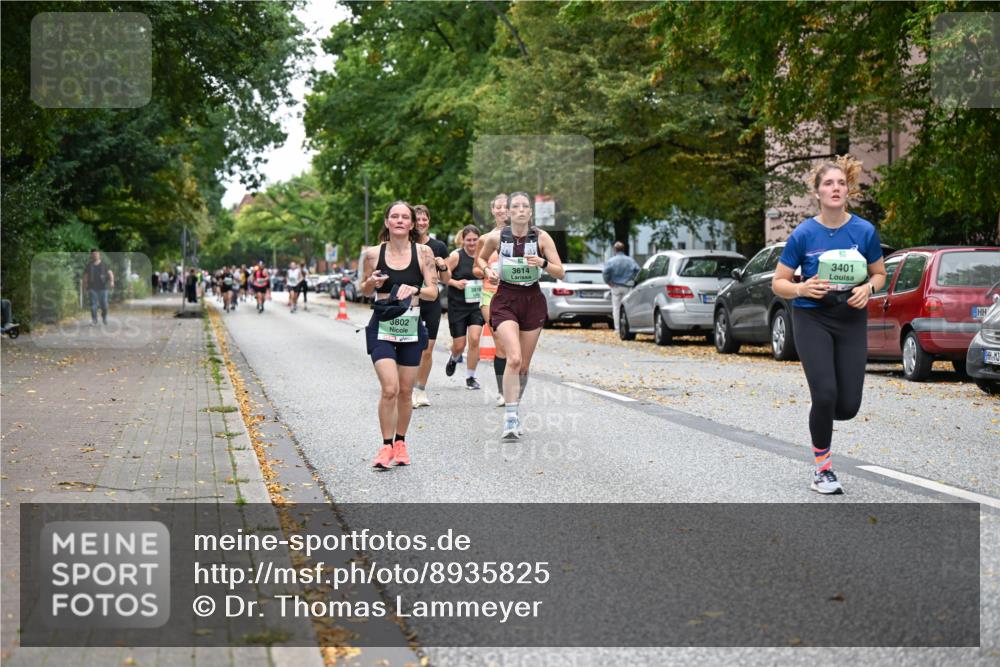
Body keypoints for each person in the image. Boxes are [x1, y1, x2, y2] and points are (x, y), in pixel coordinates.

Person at [771, 156, 887, 495]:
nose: (835, 188)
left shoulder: (864, 231)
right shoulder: (804, 234)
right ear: (817, 192)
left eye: (840, 183)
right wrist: (801, 288)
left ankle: (823, 414)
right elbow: (779, 283)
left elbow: (879, 273)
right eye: (828, 184)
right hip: (812, 317)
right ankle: (823, 470)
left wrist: (868, 288)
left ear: (848, 189)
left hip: (850, 318)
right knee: (825, 394)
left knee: (846, 406)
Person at [478, 192, 565, 439]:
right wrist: (488, 271)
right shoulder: (497, 237)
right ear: (508, 211)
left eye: (525, 206)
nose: (520, 210)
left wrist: (542, 263)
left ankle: (514, 405)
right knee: (513, 358)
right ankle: (510, 417)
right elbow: (481, 260)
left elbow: (561, 272)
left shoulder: (541, 237)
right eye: (515, 206)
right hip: (505, 299)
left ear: (530, 211)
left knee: (524, 367)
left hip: (532, 300)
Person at [361, 201, 439, 468]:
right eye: (394, 216)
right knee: (390, 388)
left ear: (412, 223)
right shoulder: (372, 254)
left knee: (406, 391)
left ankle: (401, 443)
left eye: (405, 217)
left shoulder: (424, 252)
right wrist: (373, 283)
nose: (399, 220)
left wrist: (414, 289)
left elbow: (433, 292)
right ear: (386, 222)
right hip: (382, 326)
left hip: (411, 327)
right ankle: (385, 447)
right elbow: (363, 291)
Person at [411, 204, 452, 408]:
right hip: (409, 303)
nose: (421, 222)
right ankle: (408, 388)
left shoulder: (439, 246)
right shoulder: (405, 244)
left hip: (431, 302)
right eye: (417, 219)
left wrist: (442, 265)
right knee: (411, 348)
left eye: (424, 218)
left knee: (427, 349)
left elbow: (447, 278)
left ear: (429, 221)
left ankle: (420, 390)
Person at [473, 193, 509, 406]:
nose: (502, 210)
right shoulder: (485, 239)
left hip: (514, 295)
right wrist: (487, 271)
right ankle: (502, 391)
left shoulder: (523, 236)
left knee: (513, 344)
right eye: (498, 207)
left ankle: (512, 384)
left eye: (506, 206)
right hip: (490, 293)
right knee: (498, 340)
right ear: (492, 210)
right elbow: (475, 268)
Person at [446, 225, 486, 389]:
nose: (471, 243)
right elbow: (442, 276)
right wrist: (455, 282)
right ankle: (454, 357)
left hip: (477, 305)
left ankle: (470, 377)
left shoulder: (484, 256)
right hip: (457, 305)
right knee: (459, 345)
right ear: (463, 240)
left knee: (475, 339)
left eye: (475, 240)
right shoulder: (456, 256)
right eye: (468, 240)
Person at [603, 241, 641, 333]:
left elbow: (605, 273)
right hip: (627, 287)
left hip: (615, 287)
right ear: (623, 249)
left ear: (614, 250)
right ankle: (627, 328)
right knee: (627, 307)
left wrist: (609, 282)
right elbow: (638, 271)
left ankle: (618, 328)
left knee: (616, 308)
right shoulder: (630, 260)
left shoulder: (611, 261)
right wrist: (633, 281)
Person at [82, 249, 114, 326]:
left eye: (96, 254)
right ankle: (94, 320)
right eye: (93, 254)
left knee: (104, 305)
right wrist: (84, 285)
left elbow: (110, 273)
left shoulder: (104, 264)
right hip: (92, 288)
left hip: (103, 288)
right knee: (93, 305)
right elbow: (85, 276)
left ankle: (104, 317)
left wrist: (112, 281)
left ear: (99, 255)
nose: (95, 255)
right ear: (91, 255)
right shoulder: (89, 265)